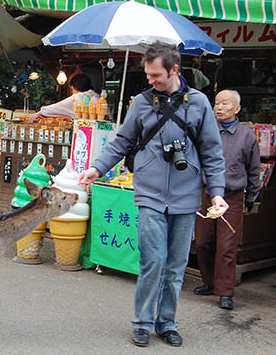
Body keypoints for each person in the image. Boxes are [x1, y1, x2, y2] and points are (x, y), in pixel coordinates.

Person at [77, 41, 228, 348]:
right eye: (148, 74)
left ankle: (167, 322)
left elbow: (212, 152)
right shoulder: (142, 103)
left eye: (156, 74)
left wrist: (217, 193)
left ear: (174, 70)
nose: (151, 80)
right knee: (153, 261)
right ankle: (143, 322)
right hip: (149, 194)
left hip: (186, 196)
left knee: (175, 266)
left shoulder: (198, 103)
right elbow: (121, 142)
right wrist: (98, 167)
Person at [194, 89, 261, 311]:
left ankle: (225, 292)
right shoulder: (206, 131)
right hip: (206, 193)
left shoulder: (247, 136)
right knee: (202, 242)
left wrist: (251, 196)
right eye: (217, 103)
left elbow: (254, 170)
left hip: (232, 196)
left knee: (226, 245)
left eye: (225, 104)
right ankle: (209, 282)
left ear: (237, 109)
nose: (219, 108)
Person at [28, 73, 98, 122]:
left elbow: (58, 107)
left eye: (72, 89)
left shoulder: (78, 97)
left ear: (74, 87)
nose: (72, 92)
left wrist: (40, 112)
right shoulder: (97, 96)